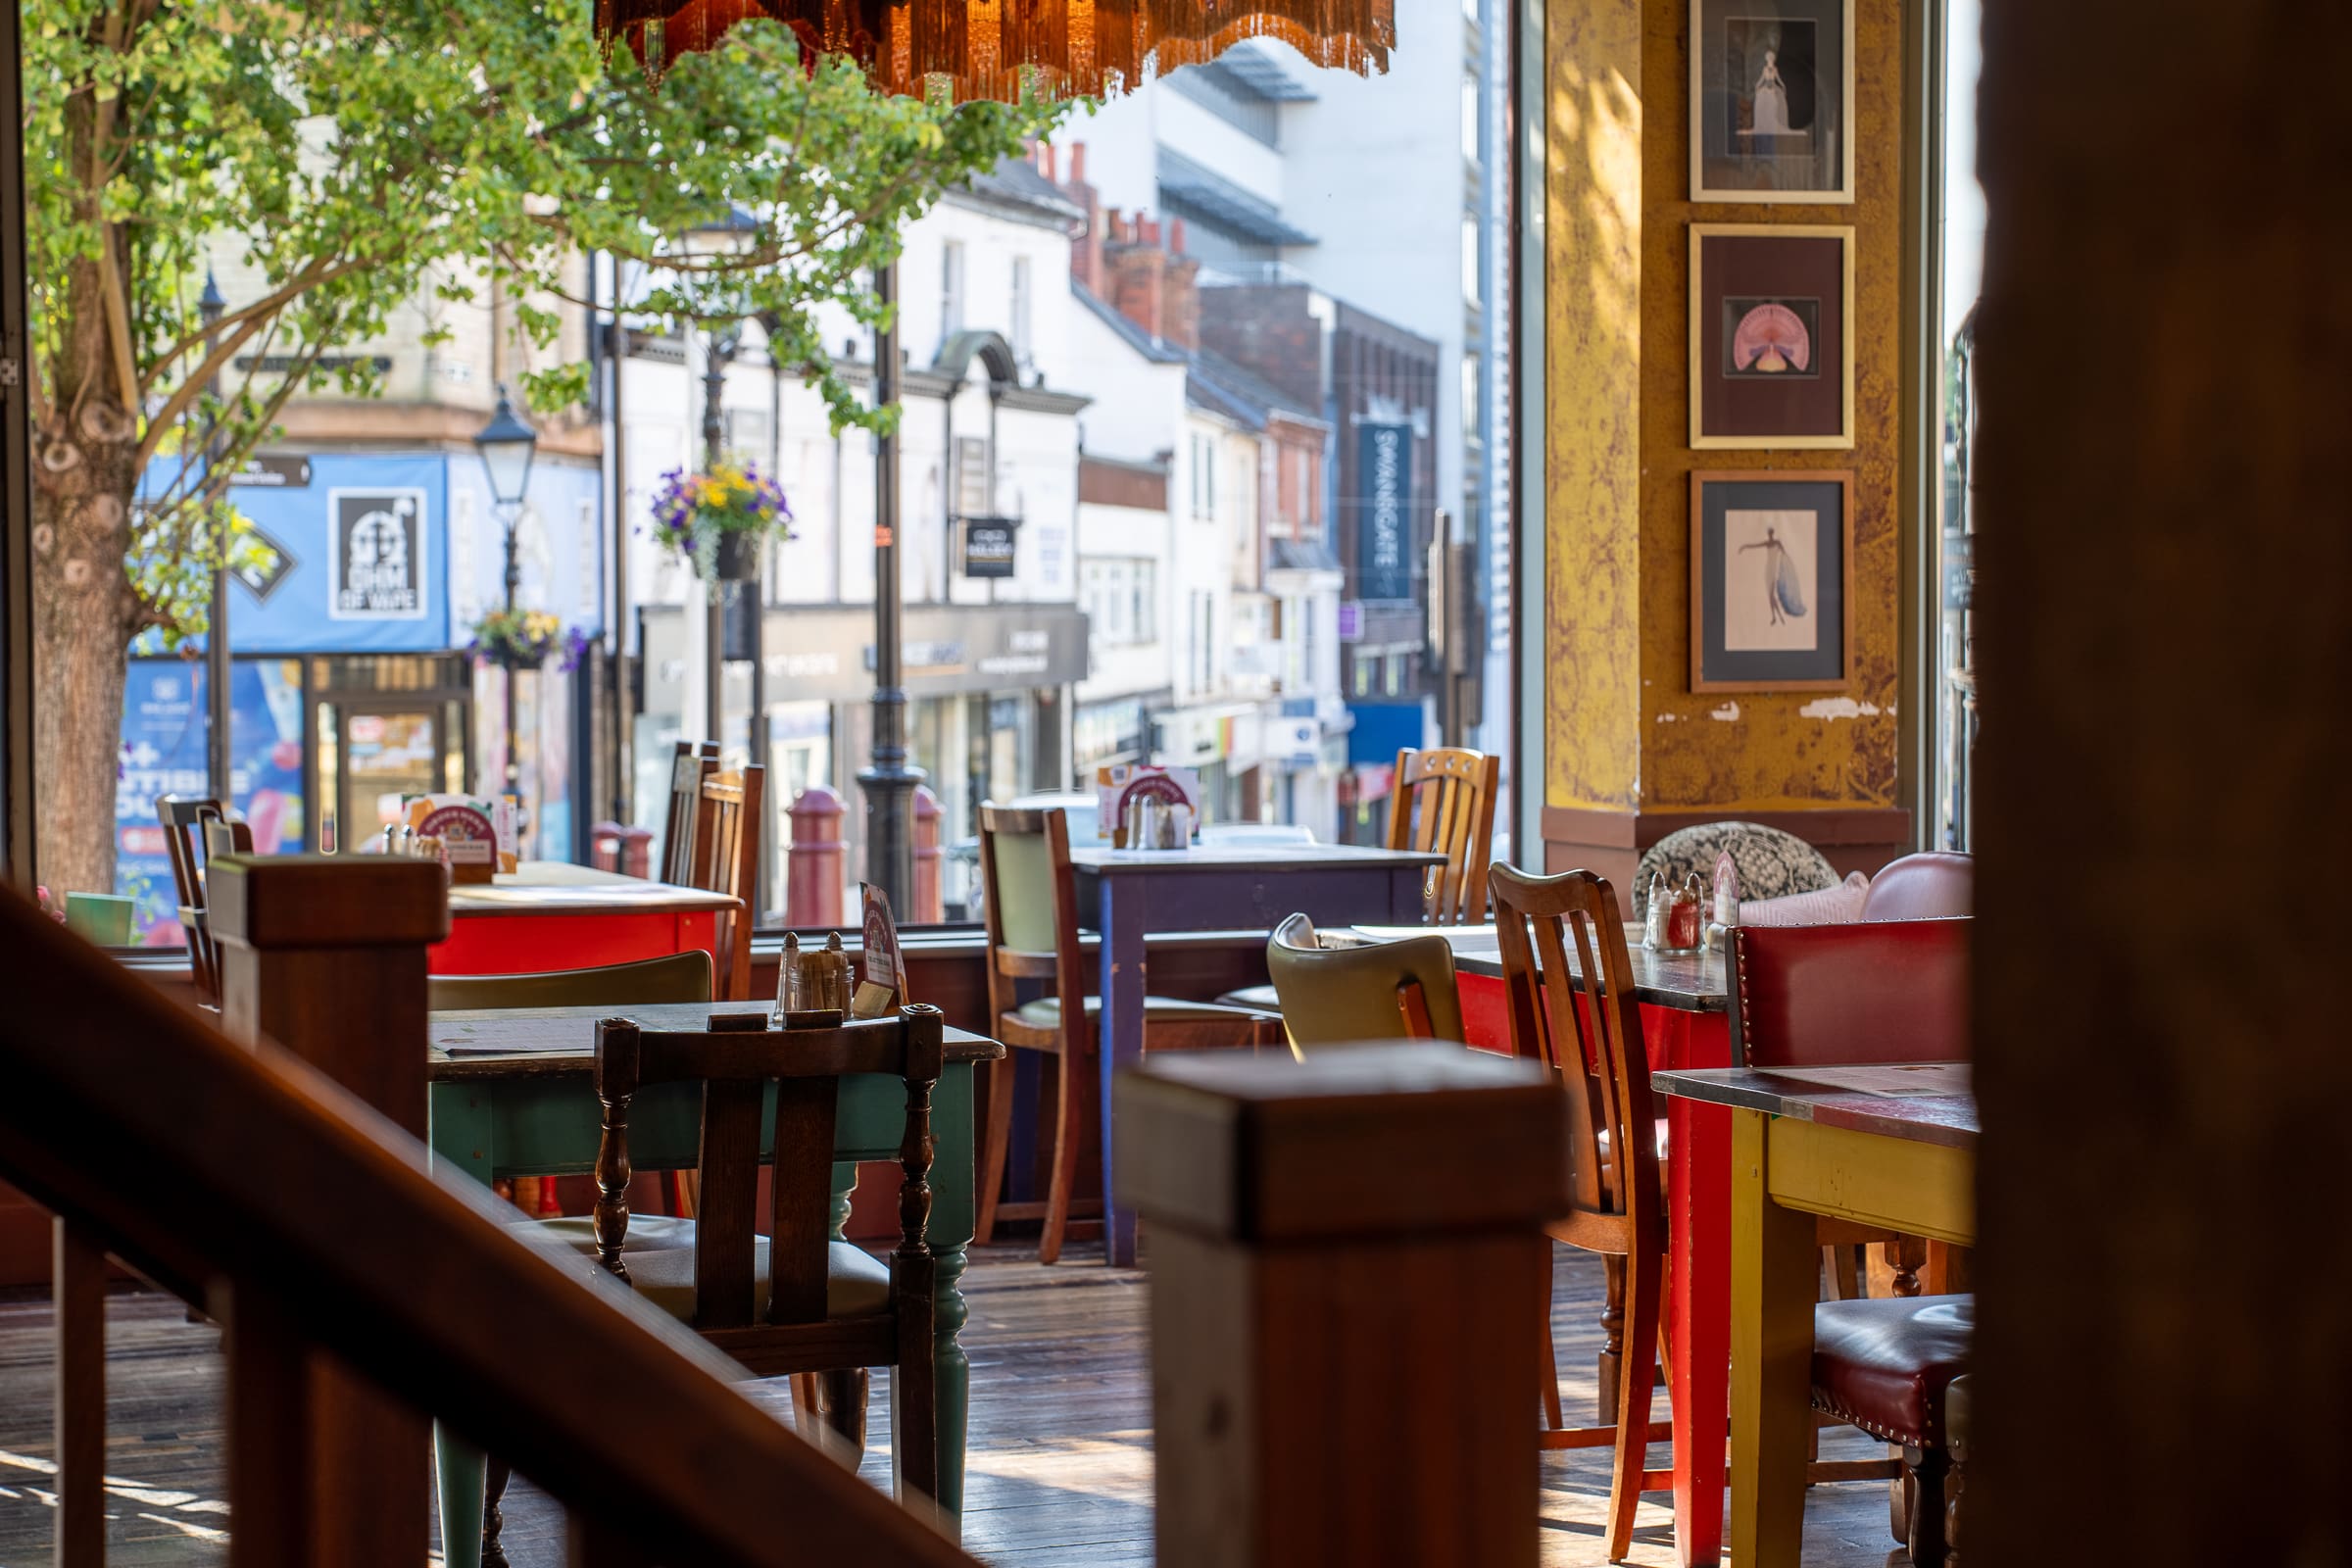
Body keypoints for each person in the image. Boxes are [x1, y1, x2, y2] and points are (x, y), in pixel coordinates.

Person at [1751, 47, 1793, 136]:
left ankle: (1773, 122)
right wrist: (1757, 85)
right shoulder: (1765, 69)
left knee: (1775, 102)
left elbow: (1778, 78)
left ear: (1773, 60)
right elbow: (1762, 79)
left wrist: (1783, 85)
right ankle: (1764, 124)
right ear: (1767, 60)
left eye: (1771, 59)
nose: (1770, 60)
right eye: (1769, 59)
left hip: (1773, 87)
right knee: (1762, 102)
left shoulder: (1775, 69)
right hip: (1765, 87)